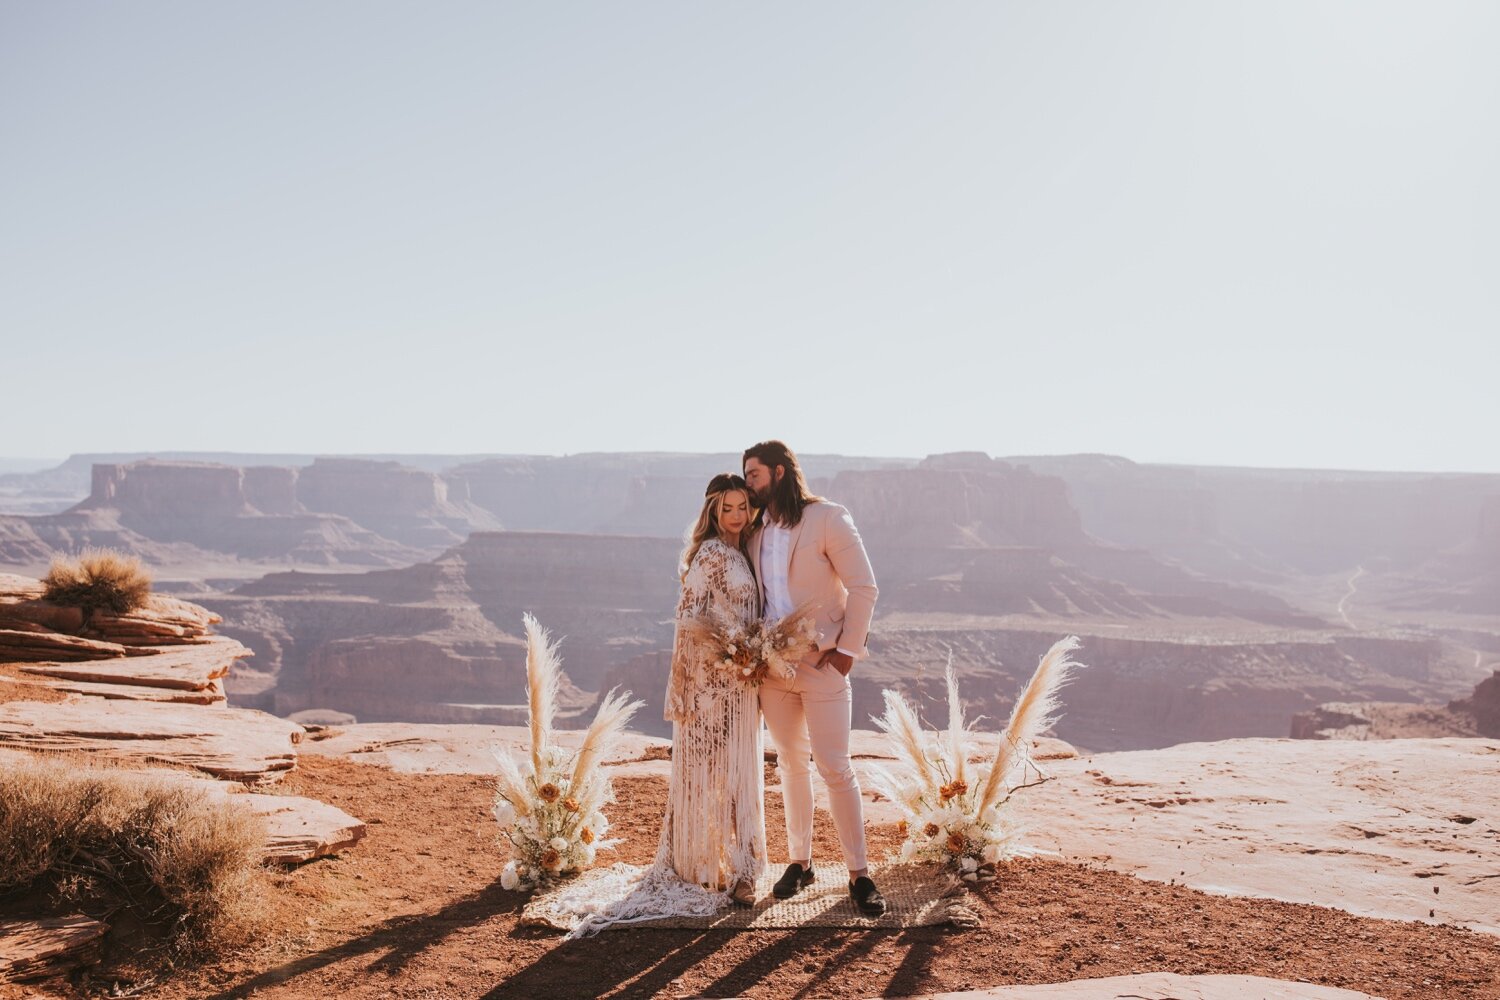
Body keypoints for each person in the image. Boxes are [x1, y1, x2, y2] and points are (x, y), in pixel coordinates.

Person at [555, 473, 766, 936]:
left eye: (743, 507)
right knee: (708, 774)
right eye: (727, 508)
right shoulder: (711, 554)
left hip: (742, 686)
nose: (736, 515)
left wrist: (752, 656)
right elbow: (688, 621)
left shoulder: (742, 551)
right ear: (712, 511)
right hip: (712, 689)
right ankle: (703, 870)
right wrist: (692, 685)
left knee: (738, 774)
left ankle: (743, 866)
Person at [742, 440, 886, 916]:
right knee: (789, 764)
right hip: (773, 670)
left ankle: (859, 875)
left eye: (754, 475)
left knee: (834, 767)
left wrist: (847, 652)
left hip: (824, 663)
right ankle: (800, 863)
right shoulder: (755, 530)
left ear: (779, 473)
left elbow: (864, 585)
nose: (749, 485)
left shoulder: (828, 518)